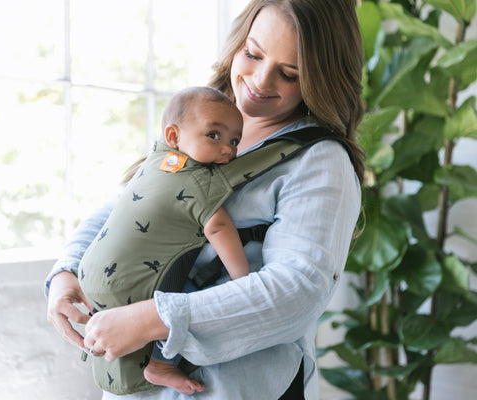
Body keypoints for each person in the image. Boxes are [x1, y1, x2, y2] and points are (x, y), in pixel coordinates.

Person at [45, 0, 365, 399]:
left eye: (289, 74)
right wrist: (66, 274)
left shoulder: (320, 162)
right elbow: (127, 207)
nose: (261, 81)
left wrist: (151, 320)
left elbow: (296, 291)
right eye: (252, 53)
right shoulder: (204, 118)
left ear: (323, 78)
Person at [77, 86, 250, 395]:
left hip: (89, 274)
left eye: (235, 140)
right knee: (176, 302)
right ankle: (157, 361)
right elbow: (219, 227)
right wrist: (243, 280)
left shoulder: (157, 160)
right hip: (128, 283)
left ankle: (135, 359)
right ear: (173, 136)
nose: (228, 149)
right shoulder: (199, 179)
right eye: (214, 136)